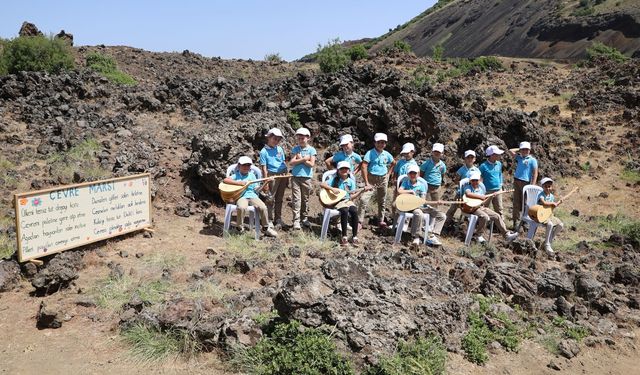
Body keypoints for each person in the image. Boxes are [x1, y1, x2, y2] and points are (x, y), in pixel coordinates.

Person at [223, 156, 278, 237]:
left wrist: (266, 183)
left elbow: (257, 190)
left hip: (252, 196)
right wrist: (239, 183)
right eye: (244, 165)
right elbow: (225, 180)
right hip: (241, 196)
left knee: (263, 207)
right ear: (239, 166)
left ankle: (266, 228)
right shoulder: (236, 175)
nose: (246, 167)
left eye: (248, 165)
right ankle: (239, 228)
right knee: (242, 207)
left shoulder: (252, 176)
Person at [397, 165, 446, 248]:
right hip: (411, 207)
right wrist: (410, 191)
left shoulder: (421, 185)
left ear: (418, 174)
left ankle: (433, 235)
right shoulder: (405, 182)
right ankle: (416, 236)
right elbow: (399, 191)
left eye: (414, 173)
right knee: (418, 213)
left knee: (442, 216)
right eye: (411, 173)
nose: (412, 175)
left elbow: (423, 200)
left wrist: (435, 203)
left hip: (421, 206)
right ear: (408, 174)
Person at [463, 171, 518, 243]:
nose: (475, 182)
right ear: (470, 181)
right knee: (484, 217)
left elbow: (483, 202)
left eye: (476, 180)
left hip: (480, 207)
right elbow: (468, 194)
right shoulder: (468, 187)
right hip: (471, 209)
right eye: (473, 180)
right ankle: (478, 235)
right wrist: (480, 197)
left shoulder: (481, 188)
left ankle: (506, 235)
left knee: (497, 216)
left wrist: (490, 197)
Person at [320, 161, 363, 246]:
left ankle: (354, 236)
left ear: (349, 170)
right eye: (342, 169)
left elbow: (351, 197)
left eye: (346, 169)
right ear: (338, 170)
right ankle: (344, 236)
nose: (344, 170)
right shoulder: (334, 179)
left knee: (354, 211)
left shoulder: (351, 181)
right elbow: (322, 184)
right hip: (338, 201)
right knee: (345, 210)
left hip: (348, 200)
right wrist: (332, 189)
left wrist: (361, 191)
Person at [361, 133, 396, 228]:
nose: (381, 144)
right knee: (364, 199)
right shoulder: (370, 153)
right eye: (379, 142)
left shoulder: (386, 154)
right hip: (372, 178)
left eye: (383, 143)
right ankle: (359, 221)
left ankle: (381, 220)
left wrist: (389, 174)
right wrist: (366, 182)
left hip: (383, 179)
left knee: (382, 200)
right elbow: (364, 166)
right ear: (375, 143)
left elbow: (393, 162)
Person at [259, 128, 288, 228]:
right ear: (269, 137)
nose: (276, 141)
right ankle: (269, 219)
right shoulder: (264, 151)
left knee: (279, 198)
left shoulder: (279, 149)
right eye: (274, 138)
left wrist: (286, 174)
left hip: (282, 174)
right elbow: (264, 168)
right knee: (270, 198)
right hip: (272, 176)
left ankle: (278, 219)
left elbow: (283, 162)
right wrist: (265, 182)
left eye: (278, 139)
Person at [289, 127, 317, 230]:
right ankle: (296, 220)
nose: (301, 140)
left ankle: (304, 218)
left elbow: (311, 164)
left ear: (308, 138)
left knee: (305, 199)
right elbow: (291, 162)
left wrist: (301, 158)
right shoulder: (295, 149)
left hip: (306, 178)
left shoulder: (312, 150)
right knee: (296, 199)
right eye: (299, 138)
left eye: (303, 138)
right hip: (296, 177)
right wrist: (304, 159)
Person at [444, 150, 480, 227]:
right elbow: (457, 180)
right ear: (465, 159)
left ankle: (465, 226)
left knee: (469, 209)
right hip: (460, 193)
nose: (470, 159)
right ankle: (446, 223)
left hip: (471, 194)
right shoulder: (461, 170)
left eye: (472, 157)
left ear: (474, 159)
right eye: (468, 157)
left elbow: (479, 182)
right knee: (453, 208)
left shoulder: (477, 170)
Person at [508, 141, 539, 229]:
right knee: (516, 202)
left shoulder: (532, 160)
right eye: (523, 149)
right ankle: (515, 222)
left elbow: (535, 173)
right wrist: (520, 149)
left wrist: (532, 185)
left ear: (530, 150)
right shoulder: (519, 157)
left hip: (526, 183)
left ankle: (525, 222)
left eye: (527, 149)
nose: (525, 151)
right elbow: (510, 151)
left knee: (526, 203)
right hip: (517, 181)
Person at [537, 177, 564, 256]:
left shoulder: (551, 196)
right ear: (542, 187)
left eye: (549, 186)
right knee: (550, 224)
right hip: (541, 215)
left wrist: (558, 203)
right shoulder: (541, 194)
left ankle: (548, 241)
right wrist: (552, 204)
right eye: (546, 186)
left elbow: (552, 207)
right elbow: (544, 203)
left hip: (549, 214)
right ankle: (547, 245)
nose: (548, 188)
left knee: (561, 225)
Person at [391, 142, 418, 220]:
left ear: (412, 152)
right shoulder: (400, 162)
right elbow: (395, 171)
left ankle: (404, 220)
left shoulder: (414, 164)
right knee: (394, 203)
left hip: (407, 186)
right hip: (399, 185)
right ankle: (394, 218)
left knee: (404, 203)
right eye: (404, 153)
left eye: (407, 153)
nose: (406, 155)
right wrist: (394, 179)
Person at [479, 145, 506, 218]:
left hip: (498, 190)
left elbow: (500, 174)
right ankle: (482, 225)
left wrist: (501, 184)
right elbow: (479, 178)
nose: (499, 156)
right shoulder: (483, 166)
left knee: (499, 209)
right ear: (491, 155)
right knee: (484, 208)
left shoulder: (499, 164)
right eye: (497, 154)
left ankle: (500, 227)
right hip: (487, 191)